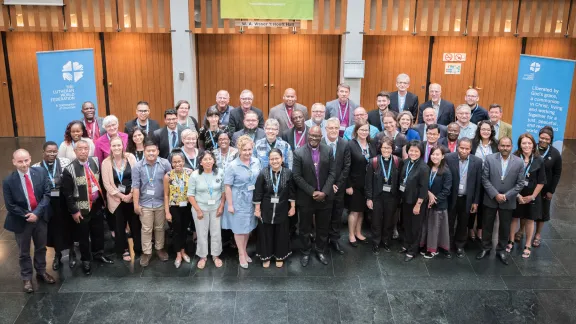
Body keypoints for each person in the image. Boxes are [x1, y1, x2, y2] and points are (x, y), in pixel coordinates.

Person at [4, 149, 55, 292]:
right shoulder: (8, 181)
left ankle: (41, 271)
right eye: (20, 161)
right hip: (21, 221)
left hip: (40, 218)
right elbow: (10, 205)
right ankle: (27, 278)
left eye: (26, 160)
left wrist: (36, 213)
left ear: (30, 159)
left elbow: (47, 193)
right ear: (14, 162)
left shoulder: (40, 172)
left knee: (41, 247)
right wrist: (28, 215)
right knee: (24, 252)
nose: (24, 164)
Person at [61, 140, 114, 275]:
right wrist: (74, 211)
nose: (83, 151)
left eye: (86, 148)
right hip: (81, 208)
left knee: (98, 232)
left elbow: (101, 182)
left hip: (96, 204)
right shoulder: (69, 169)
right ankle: (86, 260)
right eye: (80, 149)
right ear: (75, 151)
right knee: (84, 236)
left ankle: (99, 253)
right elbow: (67, 194)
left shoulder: (95, 162)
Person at [476, 137, 525, 265]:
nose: (505, 148)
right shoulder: (490, 159)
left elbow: (520, 184)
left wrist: (507, 195)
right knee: (487, 225)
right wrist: (495, 194)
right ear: (498, 147)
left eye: (507, 146)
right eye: (502, 145)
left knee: (505, 226)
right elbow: (484, 179)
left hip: (508, 200)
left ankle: (501, 250)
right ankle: (485, 248)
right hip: (491, 198)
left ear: (511, 147)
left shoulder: (519, 162)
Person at [293, 126, 336, 267]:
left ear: (321, 136)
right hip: (306, 198)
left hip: (325, 197)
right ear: (308, 135)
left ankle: (320, 250)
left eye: (317, 136)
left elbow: (332, 173)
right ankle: (305, 251)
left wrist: (324, 191)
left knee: (323, 227)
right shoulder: (298, 153)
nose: (314, 138)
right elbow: (297, 176)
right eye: (311, 135)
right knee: (304, 227)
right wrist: (312, 191)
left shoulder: (328, 150)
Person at [33, 143, 74, 271]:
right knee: (54, 230)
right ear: (43, 151)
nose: (52, 154)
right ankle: (57, 254)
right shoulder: (36, 167)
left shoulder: (65, 162)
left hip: (64, 201)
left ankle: (72, 253)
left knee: (69, 227)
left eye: (54, 151)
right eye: (49, 151)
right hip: (49, 203)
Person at [222, 135, 261, 268]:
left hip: (252, 200)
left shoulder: (256, 162)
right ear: (239, 149)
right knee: (239, 229)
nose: (247, 152)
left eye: (250, 149)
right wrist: (230, 204)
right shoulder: (232, 166)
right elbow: (227, 186)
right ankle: (241, 253)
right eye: (244, 150)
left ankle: (244, 250)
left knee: (248, 227)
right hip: (238, 200)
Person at [132, 140, 172, 267]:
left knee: (160, 228)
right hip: (145, 203)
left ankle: (159, 249)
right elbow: (136, 187)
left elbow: (171, 182)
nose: (151, 153)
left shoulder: (165, 163)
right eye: (148, 151)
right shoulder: (137, 167)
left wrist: (169, 204)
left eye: (153, 150)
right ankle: (147, 252)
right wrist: (136, 205)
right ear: (144, 152)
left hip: (161, 202)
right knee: (146, 229)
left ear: (158, 151)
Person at [253, 149, 296, 268]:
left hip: (282, 208)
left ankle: (279, 256)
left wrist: (292, 207)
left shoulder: (288, 173)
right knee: (266, 233)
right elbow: (258, 193)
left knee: (281, 233)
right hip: (266, 209)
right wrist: (257, 209)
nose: (274, 161)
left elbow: (292, 192)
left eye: (277, 158)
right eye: (272, 159)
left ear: (282, 159)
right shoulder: (263, 173)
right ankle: (266, 256)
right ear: (269, 160)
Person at [101, 137, 141, 262]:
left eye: (119, 145)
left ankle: (138, 248)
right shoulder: (106, 163)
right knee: (119, 226)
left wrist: (131, 194)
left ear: (123, 146)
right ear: (110, 147)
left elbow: (137, 177)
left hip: (132, 196)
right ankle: (123, 250)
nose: (117, 148)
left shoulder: (130, 157)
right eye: (114, 146)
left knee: (135, 225)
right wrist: (122, 196)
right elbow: (107, 184)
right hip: (116, 200)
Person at [509, 133, 546, 259]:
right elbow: (510, 179)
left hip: (532, 196)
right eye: (524, 143)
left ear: (533, 145)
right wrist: (517, 194)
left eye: (529, 143)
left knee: (530, 220)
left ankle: (528, 245)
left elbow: (541, 181)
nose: (527, 146)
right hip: (516, 194)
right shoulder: (514, 157)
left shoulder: (539, 159)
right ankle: (511, 241)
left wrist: (532, 196)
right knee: (514, 218)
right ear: (520, 144)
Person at [188, 150, 225, 269]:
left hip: (216, 208)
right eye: (205, 159)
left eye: (210, 159)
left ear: (214, 160)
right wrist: (198, 210)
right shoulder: (195, 175)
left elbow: (224, 191)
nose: (208, 161)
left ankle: (215, 255)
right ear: (201, 162)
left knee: (216, 232)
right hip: (200, 208)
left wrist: (221, 206)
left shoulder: (220, 172)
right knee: (201, 233)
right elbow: (190, 195)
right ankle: (202, 256)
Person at [445, 138, 482, 258]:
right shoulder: (449, 158)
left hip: (467, 199)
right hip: (451, 197)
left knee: (463, 223)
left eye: (467, 148)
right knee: (449, 222)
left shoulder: (477, 161)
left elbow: (478, 183)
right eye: (462, 148)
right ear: (457, 147)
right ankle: (448, 246)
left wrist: (475, 201)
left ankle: (460, 245)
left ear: (470, 149)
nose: (464, 151)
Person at [365, 136, 402, 254]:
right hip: (377, 197)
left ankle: (386, 242)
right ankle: (376, 242)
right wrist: (369, 198)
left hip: (392, 197)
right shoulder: (373, 161)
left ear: (393, 148)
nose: (386, 150)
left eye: (389, 148)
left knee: (389, 221)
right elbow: (368, 182)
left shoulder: (398, 161)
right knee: (376, 221)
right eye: (384, 148)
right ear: (380, 148)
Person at [323, 117, 351, 255]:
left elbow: (346, 167)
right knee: (324, 213)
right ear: (326, 129)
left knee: (337, 213)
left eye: (336, 128)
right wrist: (329, 185)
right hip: (324, 187)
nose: (333, 130)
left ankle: (334, 239)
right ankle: (322, 240)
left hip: (339, 188)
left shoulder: (345, 144)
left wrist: (337, 184)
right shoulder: (320, 143)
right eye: (331, 128)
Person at [419, 146, 452, 259]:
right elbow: (422, 184)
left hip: (439, 205)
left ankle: (433, 249)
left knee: (435, 227)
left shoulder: (446, 171)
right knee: (426, 226)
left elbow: (446, 190)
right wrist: (429, 194)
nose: (435, 156)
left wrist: (434, 200)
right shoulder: (427, 168)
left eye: (438, 154)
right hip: (426, 202)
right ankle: (425, 245)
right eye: (433, 154)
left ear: (443, 156)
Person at [399, 140, 429, 262]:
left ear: (421, 152)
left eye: (416, 151)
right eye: (411, 150)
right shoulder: (405, 162)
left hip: (417, 202)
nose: (413, 153)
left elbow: (424, 188)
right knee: (406, 223)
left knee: (415, 227)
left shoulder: (424, 167)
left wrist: (418, 205)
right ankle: (406, 244)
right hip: (405, 199)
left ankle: (412, 250)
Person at [163, 149, 193, 268]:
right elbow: (165, 194)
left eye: (179, 161)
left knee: (184, 230)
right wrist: (167, 212)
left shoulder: (190, 173)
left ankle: (183, 250)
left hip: (187, 206)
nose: (177, 164)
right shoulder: (168, 176)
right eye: (174, 162)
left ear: (183, 161)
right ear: (171, 163)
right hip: (174, 207)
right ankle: (178, 254)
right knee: (176, 231)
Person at [468, 120, 498, 241]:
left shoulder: (496, 144)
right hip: (474, 178)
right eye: (483, 129)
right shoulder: (472, 143)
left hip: (490, 180)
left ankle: (480, 228)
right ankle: (470, 227)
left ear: (492, 131)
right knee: (473, 203)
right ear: (479, 131)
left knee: (485, 206)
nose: (485, 132)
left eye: (488, 130)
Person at [532, 126, 562, 247]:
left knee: (543, 211)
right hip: (531, 185)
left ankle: (538, 234)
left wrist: (551, 191)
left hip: (545, 188)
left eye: (547, 139)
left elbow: (557, 173)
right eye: (541, 137)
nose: (543, 140)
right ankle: (521, 231)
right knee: (526, 210)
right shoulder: (532, 148)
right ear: (538, 137)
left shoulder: (555, 153)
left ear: (551, 140)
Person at [346, 122, 372, 247]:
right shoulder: (350, 145)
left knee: (362, 211)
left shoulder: (371, 145)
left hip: (367, 184)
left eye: (366, 130)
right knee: (354, 211)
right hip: (354, 184)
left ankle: (358, 232)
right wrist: (348, 185)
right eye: (361, 130)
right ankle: (351, 235)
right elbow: (346, 166)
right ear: (356, 130)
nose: (364, 132)